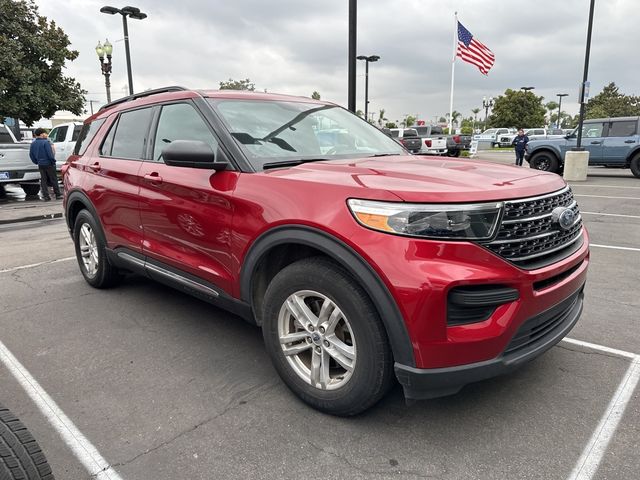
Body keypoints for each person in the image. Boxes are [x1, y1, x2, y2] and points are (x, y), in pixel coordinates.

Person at [29, 128, 61, 201]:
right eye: (45, 133)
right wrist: (53, 161)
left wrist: (36, 162)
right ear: (41, 134)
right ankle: (58, 194)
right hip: (49, 163)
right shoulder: (46, 142)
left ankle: (46, 196)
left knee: (44, 180)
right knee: (53, 179)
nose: (46, 135)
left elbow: (31, 155)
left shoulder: (33, 143)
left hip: (40, 164)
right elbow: (50, 154)